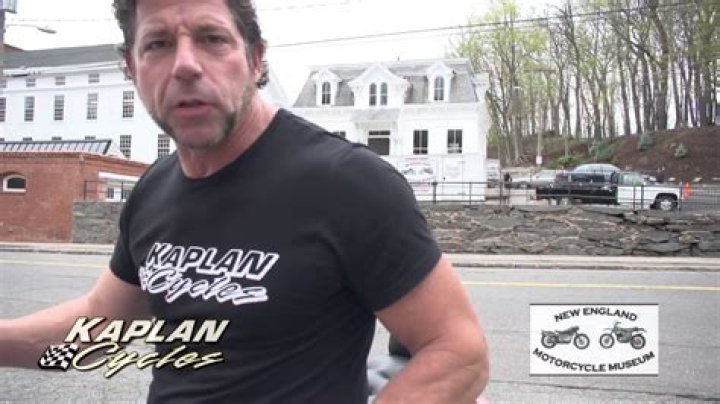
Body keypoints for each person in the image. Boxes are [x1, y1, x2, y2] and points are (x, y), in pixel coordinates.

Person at [0, 0, 490, 402]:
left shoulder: (348, 183)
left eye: (212, 38)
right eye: (158, 44)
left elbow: (458, 353)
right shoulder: (153, 189)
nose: (186, 64)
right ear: (132, 68)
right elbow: (100, 327)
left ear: (256, 60)